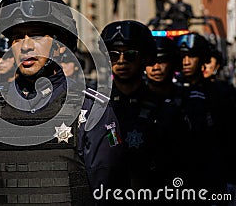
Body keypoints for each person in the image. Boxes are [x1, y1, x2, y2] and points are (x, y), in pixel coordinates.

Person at [0, 0, 122, 205]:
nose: (25, 45)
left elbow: (108, 189)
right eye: (17, 38)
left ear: (60, 45)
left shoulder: (91, 107)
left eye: (37, 36)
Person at [97, 20, 162, 196]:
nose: (121, 61)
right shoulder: (95, 107)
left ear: (145, 58)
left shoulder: (164, 108)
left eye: (130, 54)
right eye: (113, 55)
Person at [175, 32, 235, 203]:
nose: (186, 62)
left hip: (213, 175)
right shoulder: (170, 93)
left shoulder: (221, 92)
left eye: (192, 56)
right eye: (182, 56)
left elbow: (229, 137)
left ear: (202, 59)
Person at [144, 36, 189, 185]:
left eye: (162, 61)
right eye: (151, 63)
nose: (156, 67)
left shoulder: (188, 99)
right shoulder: (134, 100)